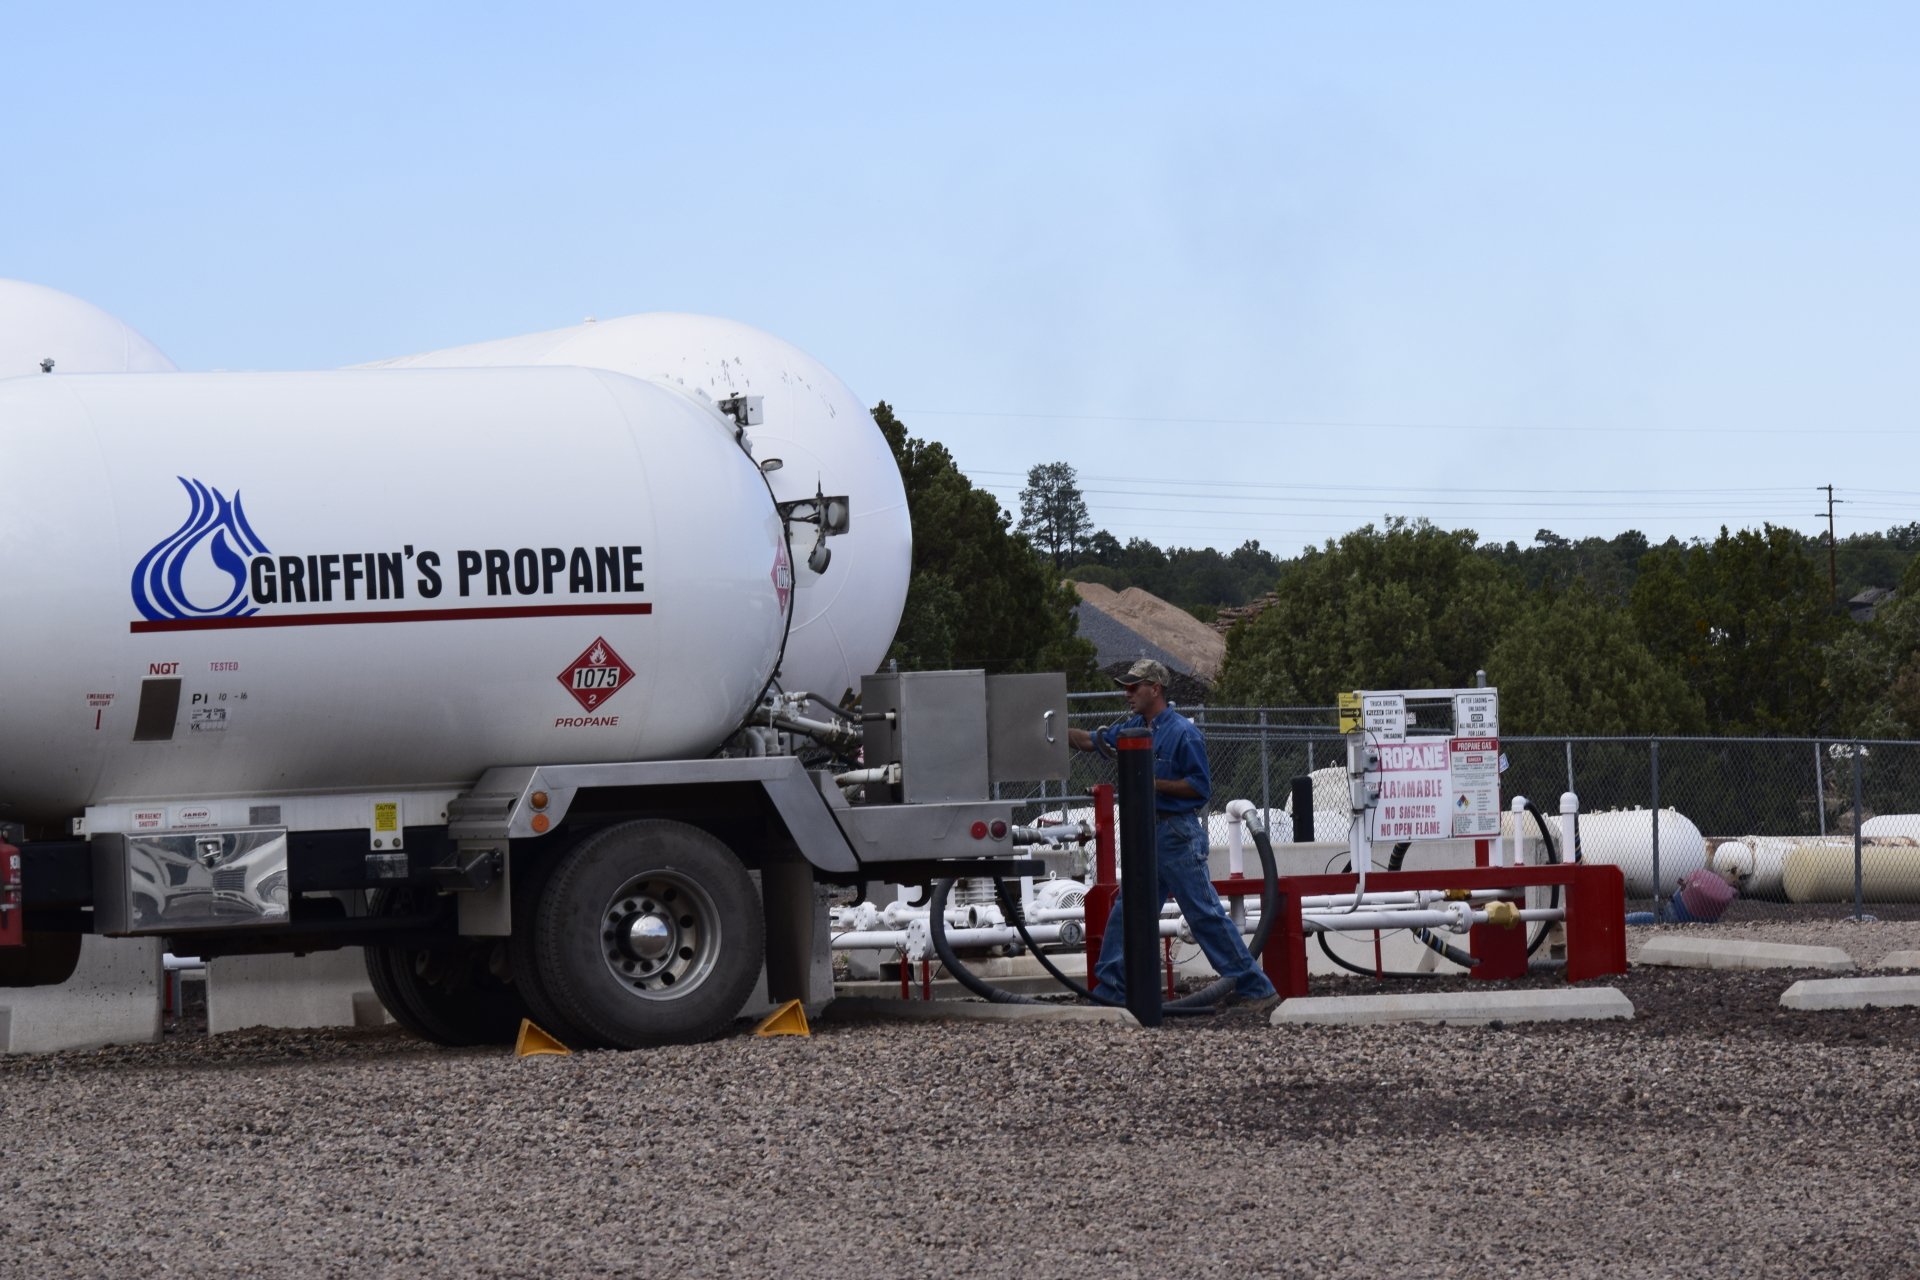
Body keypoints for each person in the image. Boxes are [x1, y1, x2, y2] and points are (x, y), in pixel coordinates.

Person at [1069, 658, 1278, 1009]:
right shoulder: (1132, 728)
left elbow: (1200, 788)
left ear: (1156, 689)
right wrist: (1052, 732)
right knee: (1128, 910)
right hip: (1149, 835)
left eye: (1134, 687)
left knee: (1202, 913)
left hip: (1176, 834)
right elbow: (1092, 741)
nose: (1127, 694)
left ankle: (1255, 988)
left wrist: (1150, 783)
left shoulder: (1183, 732)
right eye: (1126, 687)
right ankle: (1110, 990)